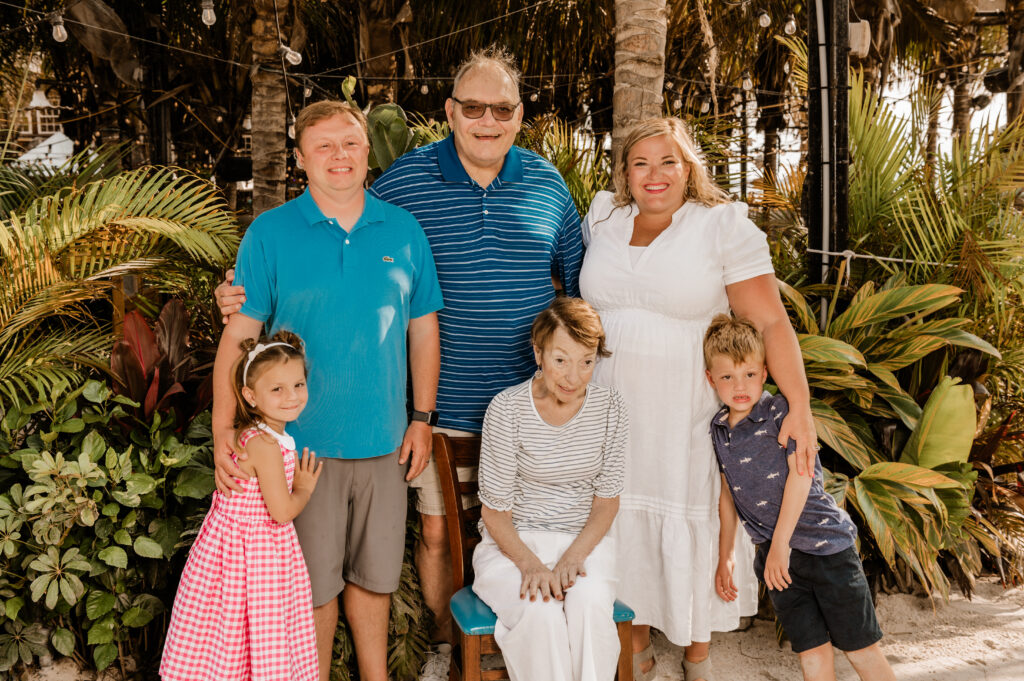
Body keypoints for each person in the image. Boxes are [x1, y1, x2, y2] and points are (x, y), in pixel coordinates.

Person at [214, 46, 584, 677]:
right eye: (472, 106)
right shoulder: (398, 187)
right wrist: (227, 407)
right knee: (421, 544)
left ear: (520, 115)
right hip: (346, 437)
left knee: (514, 535)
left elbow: (576, 290)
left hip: (521, 412)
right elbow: (256, 316)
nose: (487, 119)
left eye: (501, 108)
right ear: (449, 112)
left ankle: (527, 653)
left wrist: (420, 413)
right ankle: (445, 650)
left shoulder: (536, 189)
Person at [211, 100, 444, 681]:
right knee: (312, 593)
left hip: (384, 442)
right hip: (301, 450)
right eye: (324, 146)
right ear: (300, 160)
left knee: (376, 582)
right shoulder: (270, 233)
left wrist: (421, 418)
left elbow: (424, 329)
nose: (339, 156)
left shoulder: (404, 229)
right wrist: (222, 434)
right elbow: (238, 338)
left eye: (350, 143)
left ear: (368, 151)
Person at [578, 117, 817, 681]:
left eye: (669, 162)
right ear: (624, 171)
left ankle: (697, 654)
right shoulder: (603, 218)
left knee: (692, 509)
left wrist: (800, 406)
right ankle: (633, 648)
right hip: (608, 408)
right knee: (617, 517)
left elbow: (770, 323)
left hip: (683, 407)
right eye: (641, 162)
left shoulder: (718, 226)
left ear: (690, 169)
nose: (654, 175)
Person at [705, 314, 896, 681]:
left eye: (748, 374)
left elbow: (802, 474)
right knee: (811, 655)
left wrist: (780, 546)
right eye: (727, 376)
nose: (739, 385)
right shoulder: (718, 430)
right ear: (711, 379)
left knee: (861, 651)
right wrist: (726, 555)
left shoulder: (780, 412)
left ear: (764, 373)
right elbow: (728, 492)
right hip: (777, 562)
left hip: (826, 551)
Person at [473, 297, 627, 681]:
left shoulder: (611, 408)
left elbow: (607, 503)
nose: (573, 376)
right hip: (513, 547)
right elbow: (494, 513)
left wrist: (573, 558)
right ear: (538, 352)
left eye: (586, 361)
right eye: (561, 360)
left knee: (590, 605)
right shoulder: (506, 409)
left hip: (583, 543)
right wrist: (531, 566)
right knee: (540, 612)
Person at [161, 331, 322, 681]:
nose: (292, 396)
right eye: (277, 389)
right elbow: (280, 512)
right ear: (250, 396)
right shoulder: (266, 445)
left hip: (229, 554)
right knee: (259, 630)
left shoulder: (248, 434)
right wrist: (305, 488)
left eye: (298, 384)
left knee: (229, 634)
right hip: (257, 556)